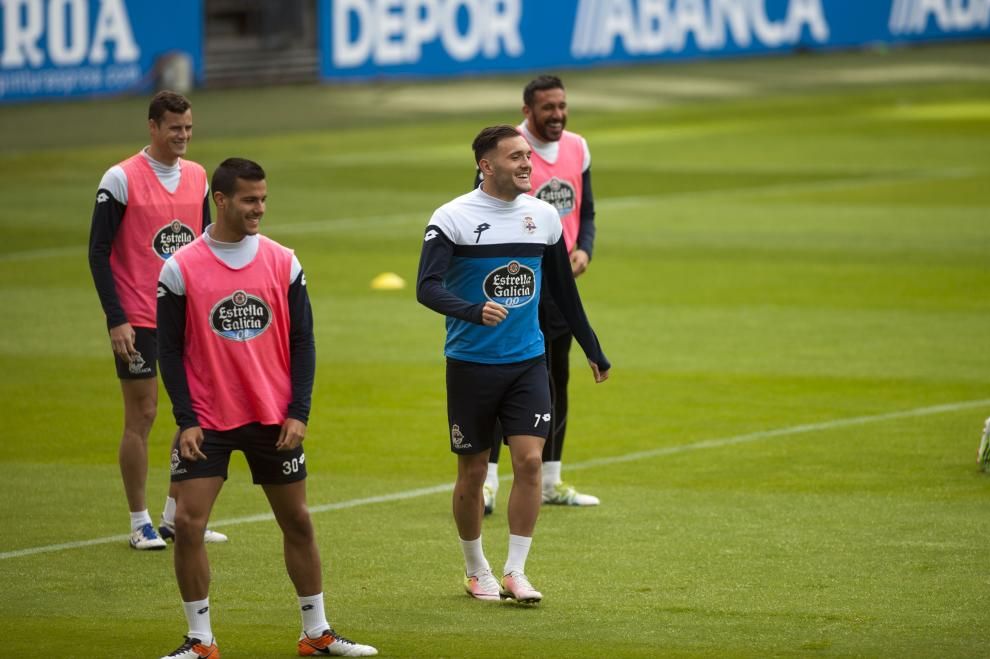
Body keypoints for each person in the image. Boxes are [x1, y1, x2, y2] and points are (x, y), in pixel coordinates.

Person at [156, 158, 377, 658]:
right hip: (208, 421)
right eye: (250, 200)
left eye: (263, 199)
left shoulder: (283, 260)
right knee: (188, 525)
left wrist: (299, 410)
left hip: (273, 418)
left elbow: (304, 340)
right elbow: (168, 350)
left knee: (297, 521)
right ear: (221, 200)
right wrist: (185, 419)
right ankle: (200, 641)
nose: (259, 208)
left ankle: (316, 633)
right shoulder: (180, 267)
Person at [417, 125, 611, 603]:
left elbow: (564, 291)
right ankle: (475, 567)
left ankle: (515, 570)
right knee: (474, 472)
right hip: (470, 363)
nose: (528, 164)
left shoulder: (543, 217)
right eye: (515, 157)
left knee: (528, 461)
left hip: (528, 360)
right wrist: (470, 310)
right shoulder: (452, 218)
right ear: (486, 165)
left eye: (528, 156)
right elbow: (427, 286)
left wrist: (591, 346)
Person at [88, 90, 227, 550]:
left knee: (198, 411)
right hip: (138, 317)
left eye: (188, 128)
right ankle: (138, 520)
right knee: (143, 414)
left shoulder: (198, 176)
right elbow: (98, 251)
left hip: (185, 315)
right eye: (175, 128)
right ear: (153, 127)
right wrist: (116, 318)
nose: (184, 136)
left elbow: (204, 244)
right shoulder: (120, 179)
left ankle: (175, 514)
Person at [477, 75, 601, 515]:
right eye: (548, 107)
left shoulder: (578, 148)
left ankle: (551, 480)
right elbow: (482, 209)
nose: (558, 115)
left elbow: (585, 210)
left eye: (562, 106)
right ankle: (487, 483)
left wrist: (584, 247)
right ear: (528, 110)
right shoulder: (505, 153)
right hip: (517, 286)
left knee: (556, 381)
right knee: (500, 379)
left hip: (558, 288)